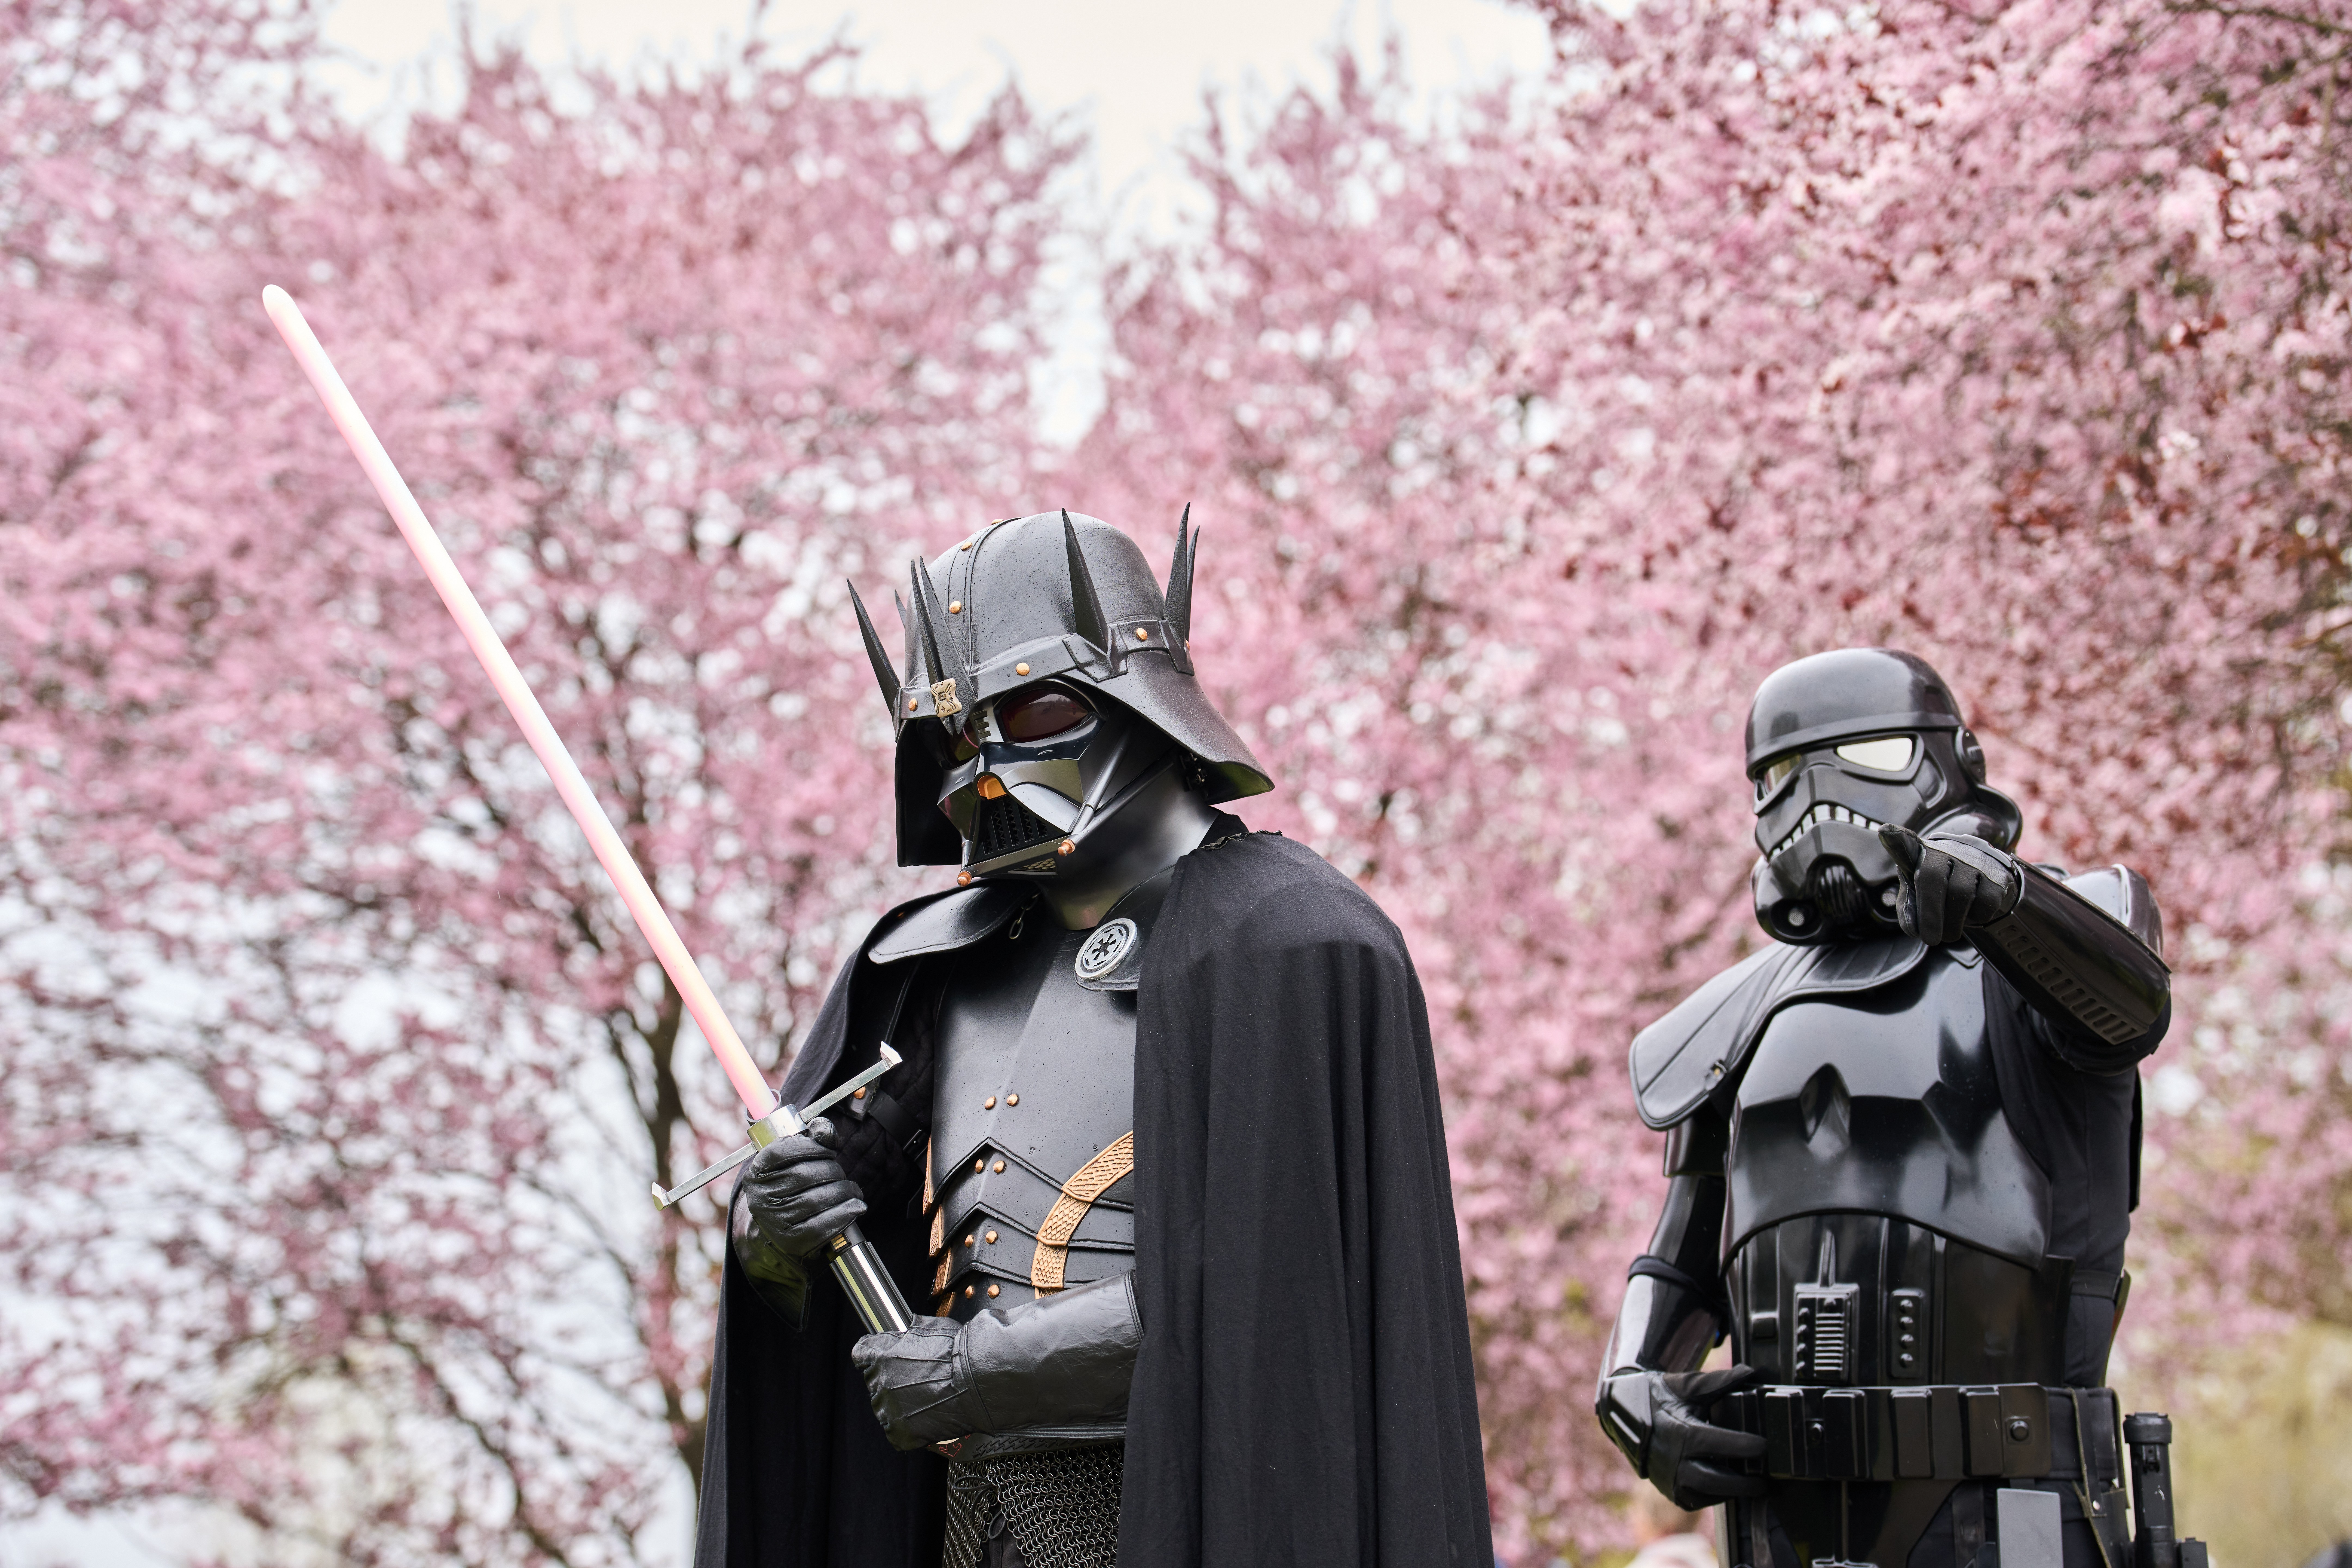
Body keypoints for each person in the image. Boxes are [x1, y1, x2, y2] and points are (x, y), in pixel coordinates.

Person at [693, 510, 1492, 1568]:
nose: (984, 773)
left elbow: (1281, 1310)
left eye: (1031, 713)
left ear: (1141, 697)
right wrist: (776, 1236)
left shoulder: (1294, 947)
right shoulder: (917, 970)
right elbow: (818, 1244)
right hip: (962, 1518)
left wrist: (980, 1370)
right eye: (954, 735)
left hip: (1203, 1512)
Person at [1594, 648, 2172, 1567]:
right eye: (1782, 778)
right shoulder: (1735, 1016)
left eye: (1869, 756)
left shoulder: (2052, 944)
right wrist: (1631, 1377)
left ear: (1955, 764)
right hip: (1778, 1522)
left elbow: (2130, 1010)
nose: (1821, 803)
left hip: (2011, 1519)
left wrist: (2007, 905)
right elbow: (1684, 1254)